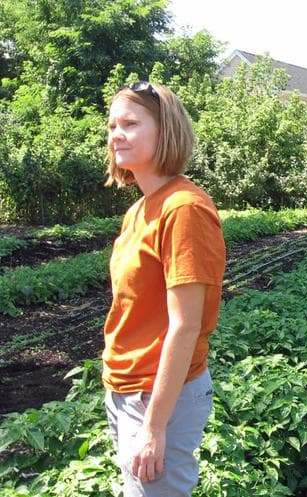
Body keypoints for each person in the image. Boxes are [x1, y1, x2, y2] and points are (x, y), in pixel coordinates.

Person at [102, 81, 226, 497]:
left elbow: (185, 327)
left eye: (131, 123)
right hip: (124, 388)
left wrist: (154, 427)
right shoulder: (138, 209)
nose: (117, 133)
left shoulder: (184, 208)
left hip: (158, 399)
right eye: (113, 125)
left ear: (166, 131)